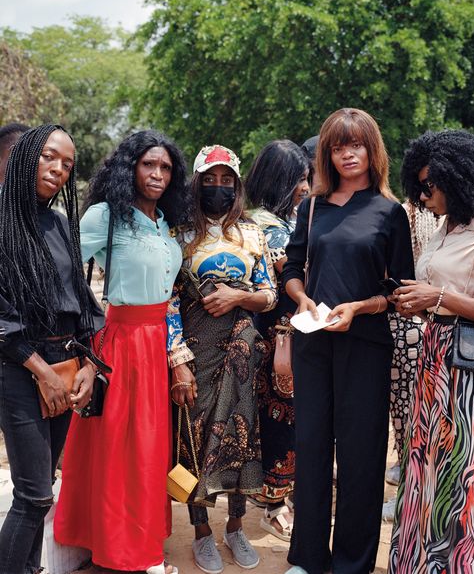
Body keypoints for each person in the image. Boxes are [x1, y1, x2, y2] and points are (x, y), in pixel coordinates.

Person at [282, 108, 414, 574]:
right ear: (327, 154)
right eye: (338, 147)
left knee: (361, 455)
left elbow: (398, 291)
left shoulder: (390, 212)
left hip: (366, 346)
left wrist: (360, 307)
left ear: (371, 149)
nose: (347, 155)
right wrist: (301, 298)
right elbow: (292, 269)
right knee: (312, 447)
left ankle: (352, 564)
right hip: (313, 343)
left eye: (355, 145)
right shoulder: (311, 208)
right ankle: (307, 558)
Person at [54, 130, 188, 574]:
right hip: (121, 343)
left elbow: (170, 297)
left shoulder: (164, 222)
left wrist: (176, 353)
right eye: (148, 164)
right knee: (119, 449)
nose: (157, 174)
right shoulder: (105, 216)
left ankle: (143, 542)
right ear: (130, 167)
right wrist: (86, 325)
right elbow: (60, 268)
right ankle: (116, 546)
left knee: (149, 449)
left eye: (165, 167)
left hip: (156, 344)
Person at [388, 130, 474, 573]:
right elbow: (439, 293)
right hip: (434, 357)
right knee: (426, 467)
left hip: (472, 369)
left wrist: (437, 297)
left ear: (458, 179)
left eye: (429, 186)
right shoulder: (445, 227)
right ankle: (419, 563)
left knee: (466, 474)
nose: (423, 196)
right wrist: (420, 302)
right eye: (419, 186)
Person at [167, 144, 277, 574]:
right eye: (209, 180)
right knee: (192, 439)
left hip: (243, 355)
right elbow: (168, 302)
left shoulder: (252, 233)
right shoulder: (177, 235)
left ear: (237, 185)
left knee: (242, 439)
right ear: (196, 183)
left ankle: (235, 527)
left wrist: (238, 296)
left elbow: (269, 294)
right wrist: (178, 359)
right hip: (196, 352)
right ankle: (200, 531)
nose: (218, 187)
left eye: (226, 180)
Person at [0, 124, 103, 574]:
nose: (58, 169)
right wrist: (41, 371)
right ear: (25, 155)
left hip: (65, 364)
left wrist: (88, 366)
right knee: (34, 494)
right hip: (19, 364)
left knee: (42, 485)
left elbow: (81, 300)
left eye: (67, 163)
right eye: (48, 156)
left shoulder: (60, 223)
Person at [245, 139, 311, 541]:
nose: (306, 186)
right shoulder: (265, 226)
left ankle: (279, 497)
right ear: (280, 180)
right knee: (278, 419)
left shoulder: (286, 220)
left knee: (289, 417)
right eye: (300, 179)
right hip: (276, 335)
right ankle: (273, 504)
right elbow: (292, 271)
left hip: (289, 331)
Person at [382, 201, 439, 521]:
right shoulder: (420, 214)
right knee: (412, 419)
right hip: (417, 326)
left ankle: (410, 496)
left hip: (406, 326)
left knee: (408, 420)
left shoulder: (407, 213)